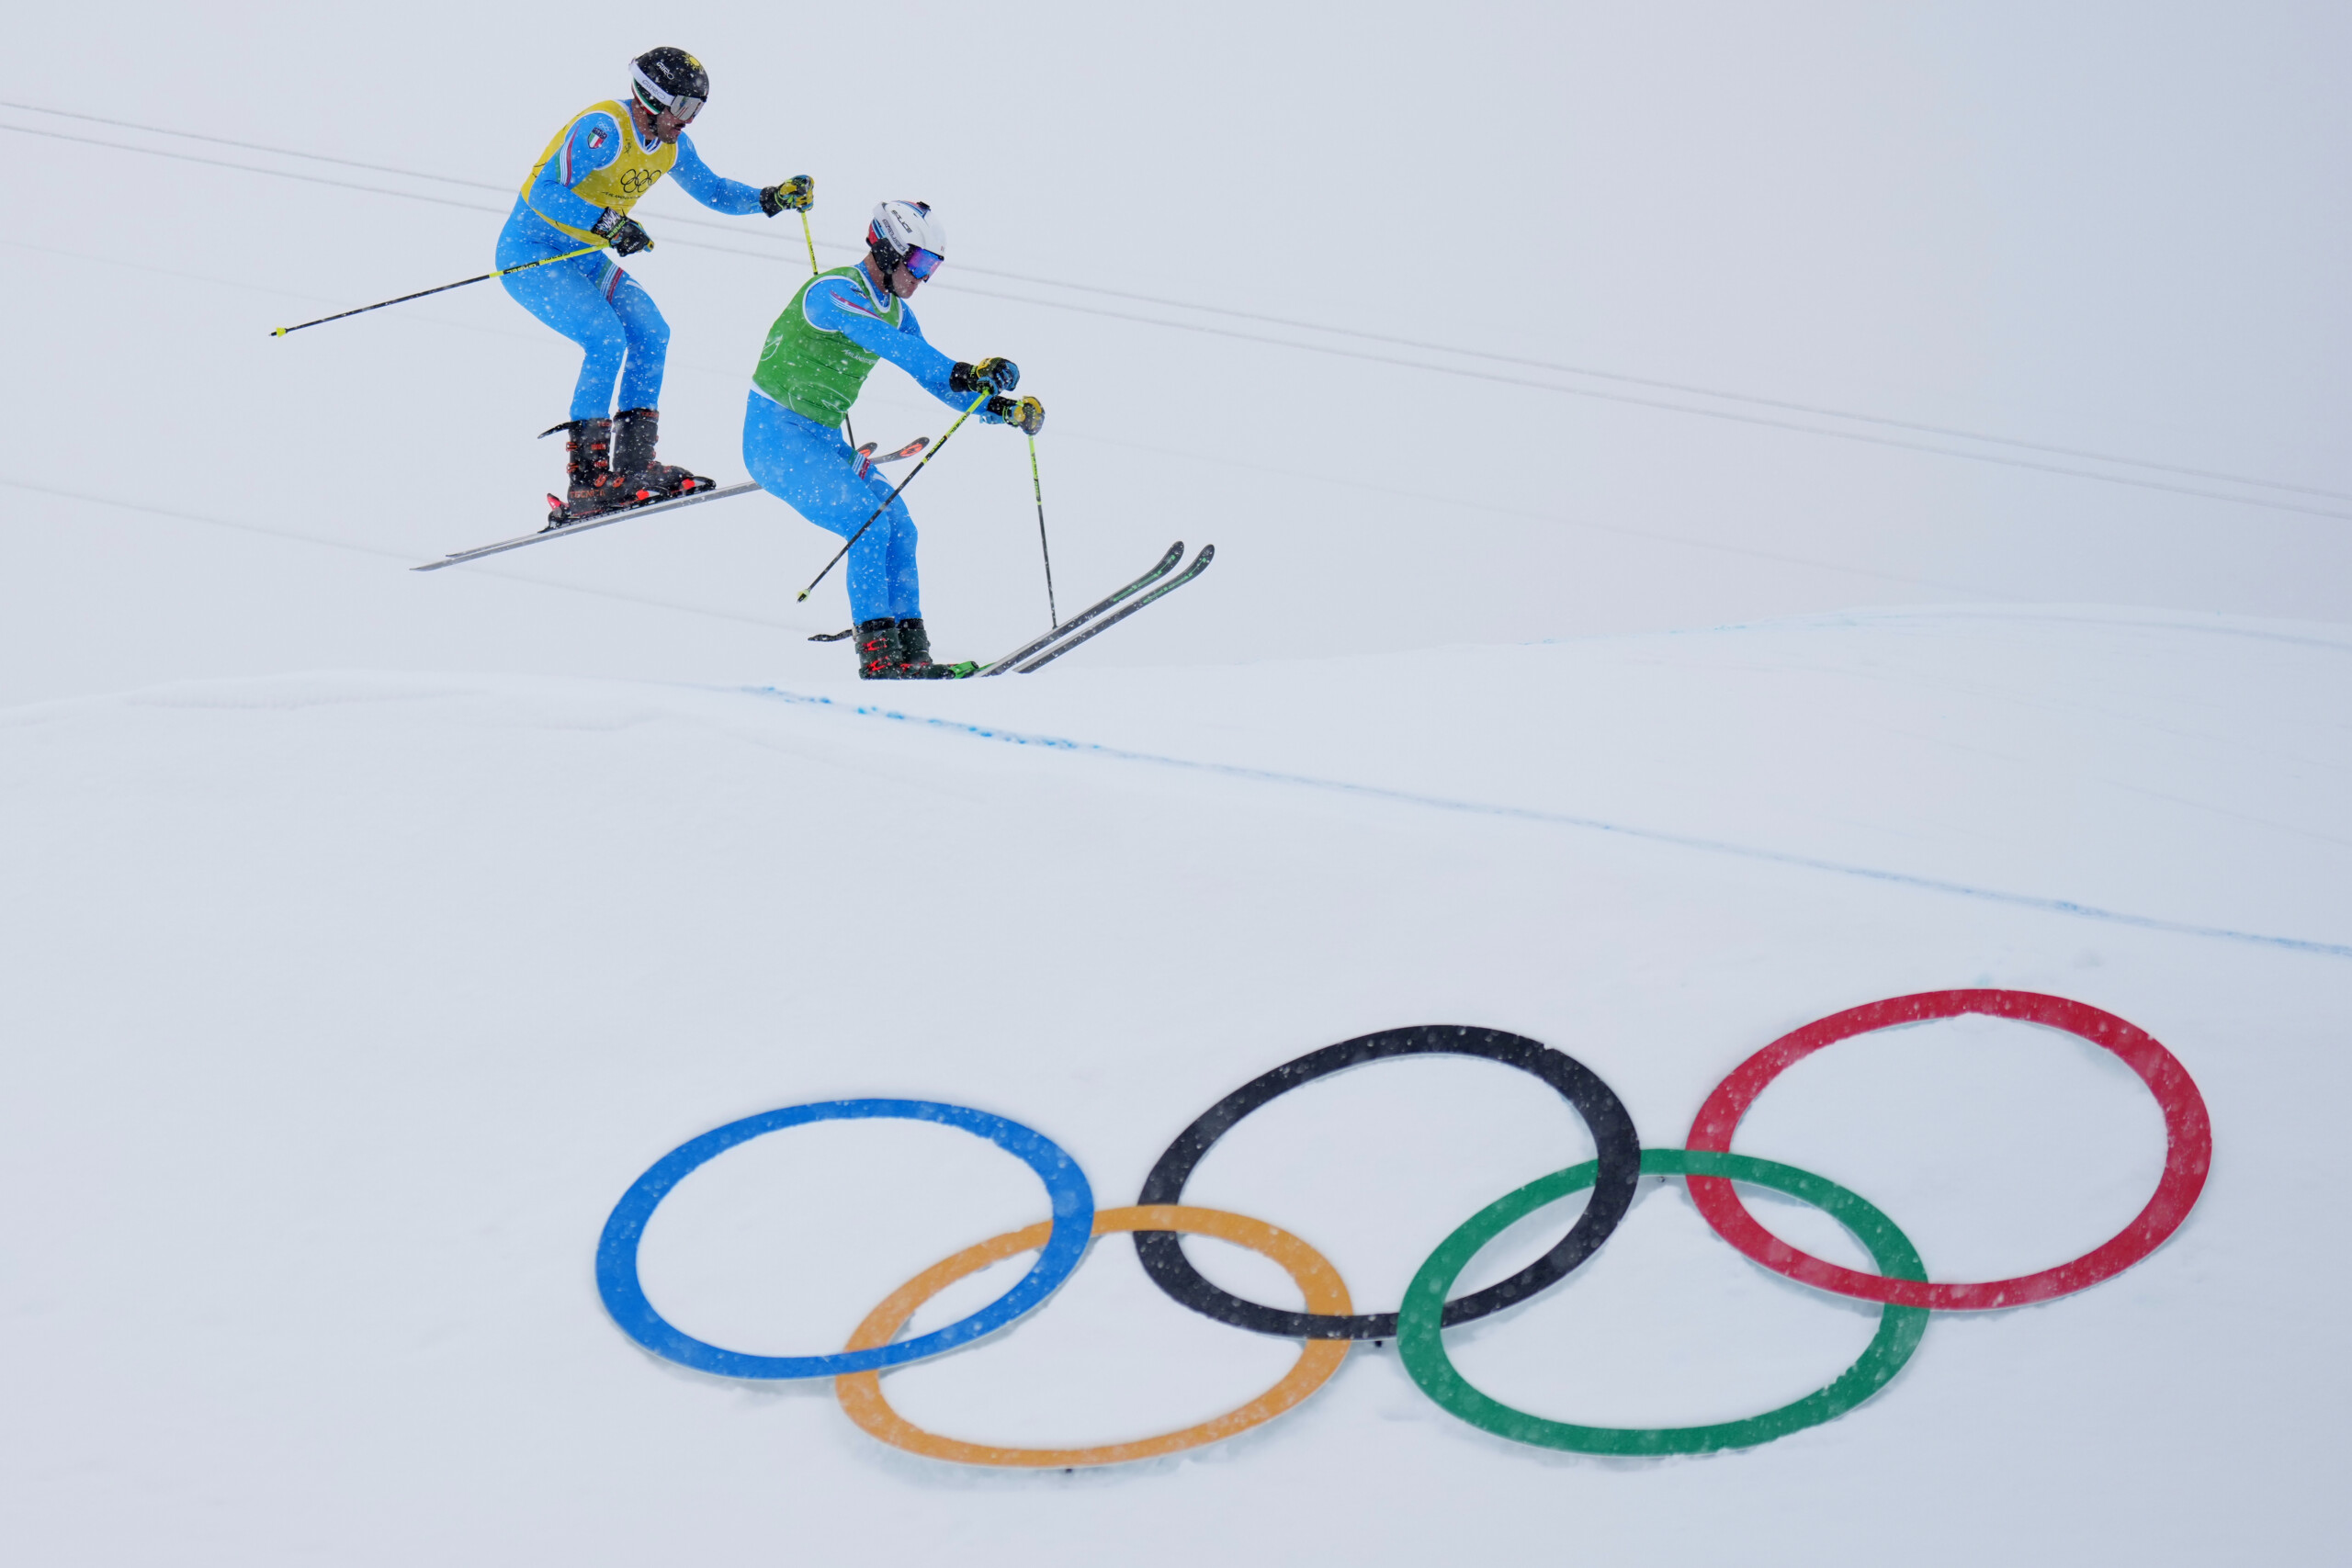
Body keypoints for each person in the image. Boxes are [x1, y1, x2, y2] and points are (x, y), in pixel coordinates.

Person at [503, 47, 813, 525]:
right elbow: (542, 192)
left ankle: (632, 467)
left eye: (697, 110)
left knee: (651, 330)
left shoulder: (671, 147)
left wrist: (770, 199)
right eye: (683, 108)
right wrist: (609, 224)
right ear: (650, 98)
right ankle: (586, 481)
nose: (688, 121)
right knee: (605, 338)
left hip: (582, 256)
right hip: (532, 253)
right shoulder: (604, 129)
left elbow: (714, 191)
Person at [743, 200, 1045, 679]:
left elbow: (936, 377)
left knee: (902, 529)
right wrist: (965, 372)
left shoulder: (898, 313)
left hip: (822, 439)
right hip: (776, 436)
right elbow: (897, 349)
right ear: (887, 249)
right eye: (921, 263)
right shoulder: (831, 292)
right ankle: (880, 661)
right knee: (869, 526)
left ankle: (912, 655)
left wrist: (999, 408)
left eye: (933, 267)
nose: (924, 278)